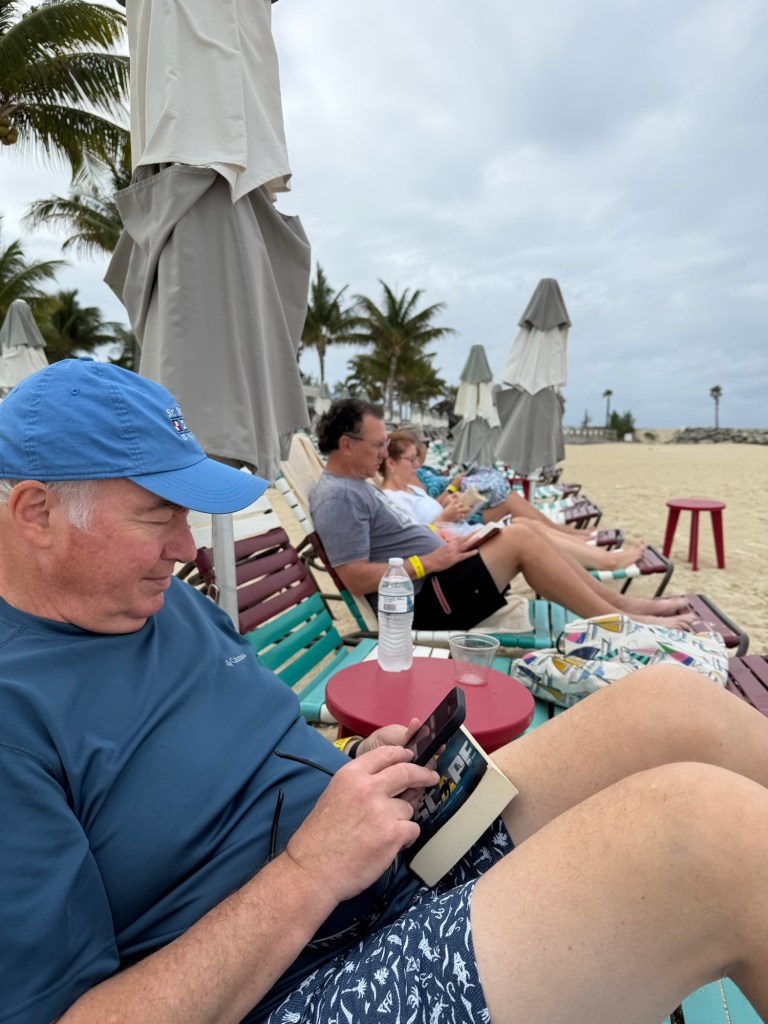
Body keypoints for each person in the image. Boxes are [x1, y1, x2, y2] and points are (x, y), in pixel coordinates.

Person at [4, 361, 768, 1024]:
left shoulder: (160, 605)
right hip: (296, 983)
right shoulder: (18, 711)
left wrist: (351, 763)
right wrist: (308, 871)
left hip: (384, 857)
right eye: (156, 516)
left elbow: (244, 749)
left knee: (670, 704)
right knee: (707, 839)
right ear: (36, 513)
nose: (184, 547)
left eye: (185, 514)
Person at [310, 400, 693, 630]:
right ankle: (623, 621)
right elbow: (355, 577)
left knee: (522, 526)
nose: (383, 453)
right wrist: (430, 561)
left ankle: (625, 606)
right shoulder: (338, 496)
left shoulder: (356, 486)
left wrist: (446, 543)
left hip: (437, 580)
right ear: (347, 444)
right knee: (520, 537)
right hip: (423, 605)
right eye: (378, 445)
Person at [380, 431, 647, 571]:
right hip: (459, 547)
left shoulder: (411, 489)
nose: (417, 464)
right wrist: (444, 517)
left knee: (527, 524)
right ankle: (605, 560)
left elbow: (434, 516)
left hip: (465, 531)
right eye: (412, 459)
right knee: (522, 528)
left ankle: (602, 558)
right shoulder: (392, 500)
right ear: (391, 463)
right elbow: (414, 542)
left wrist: (451, 507)